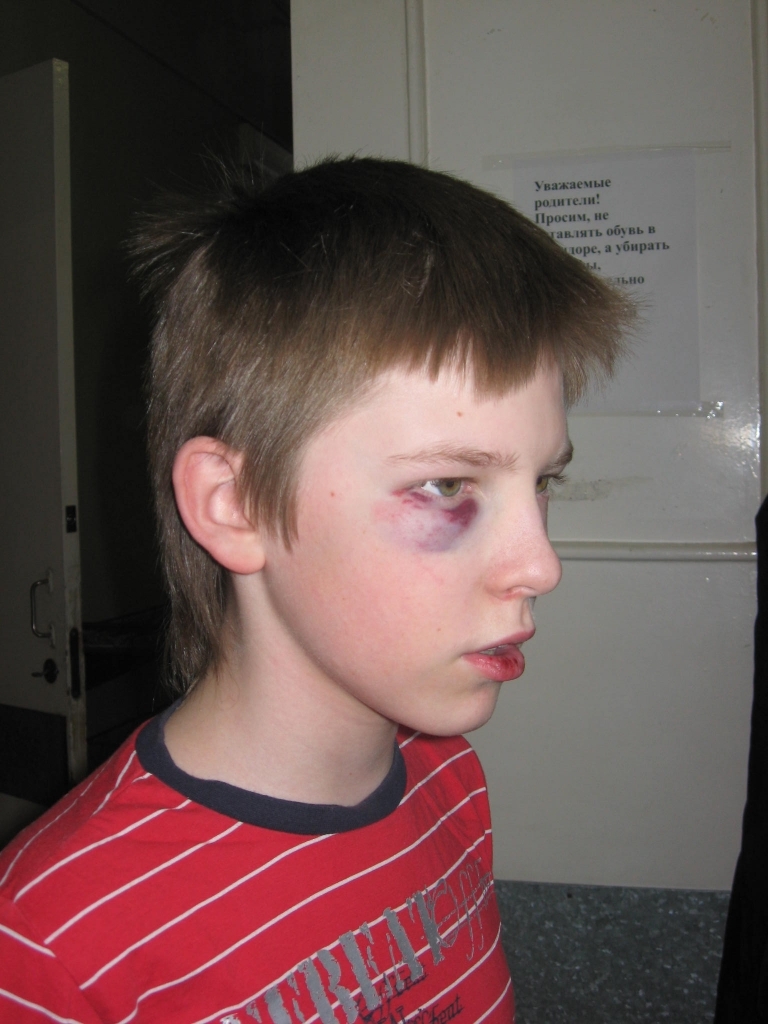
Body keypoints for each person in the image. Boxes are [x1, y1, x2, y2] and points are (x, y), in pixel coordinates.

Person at [0, 157, 634, 1023]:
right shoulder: (50, 943)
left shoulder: (445, 778)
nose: (540, 565)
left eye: (543, 481)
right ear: (234, 505)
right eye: (447, 486)